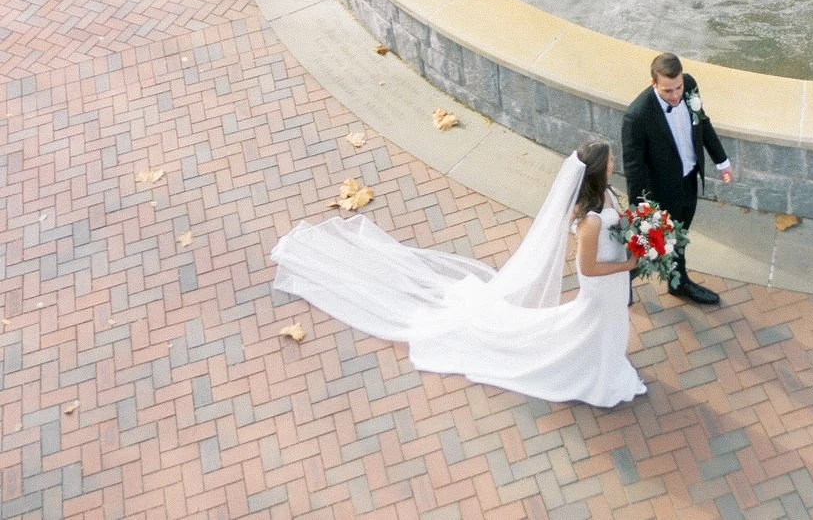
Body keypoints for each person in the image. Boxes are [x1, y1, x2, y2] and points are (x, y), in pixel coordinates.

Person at [270, 140, 647, 408]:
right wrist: (629, 264)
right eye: (611, 160)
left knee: (606, 324)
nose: (615, 163)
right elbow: (587, 268)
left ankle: (604, 366)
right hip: (602, 284)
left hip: (612, 280)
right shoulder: (589, 222)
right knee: (595, 323)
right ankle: (595, 375)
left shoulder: (607, 195)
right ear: (599, 170)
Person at [622, 51, 733, 308]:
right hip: (659, 191)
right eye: (667, 91)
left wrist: (722, 161)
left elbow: (702, 123)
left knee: (678, 237)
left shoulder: (690, 85)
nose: (675, 96)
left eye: (678, 88)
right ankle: (622, 278)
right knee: (651, 243)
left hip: (688, 181)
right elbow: (633, 168)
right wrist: (641, 211)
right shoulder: (637, 116)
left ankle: (677, 282)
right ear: (654, 84)